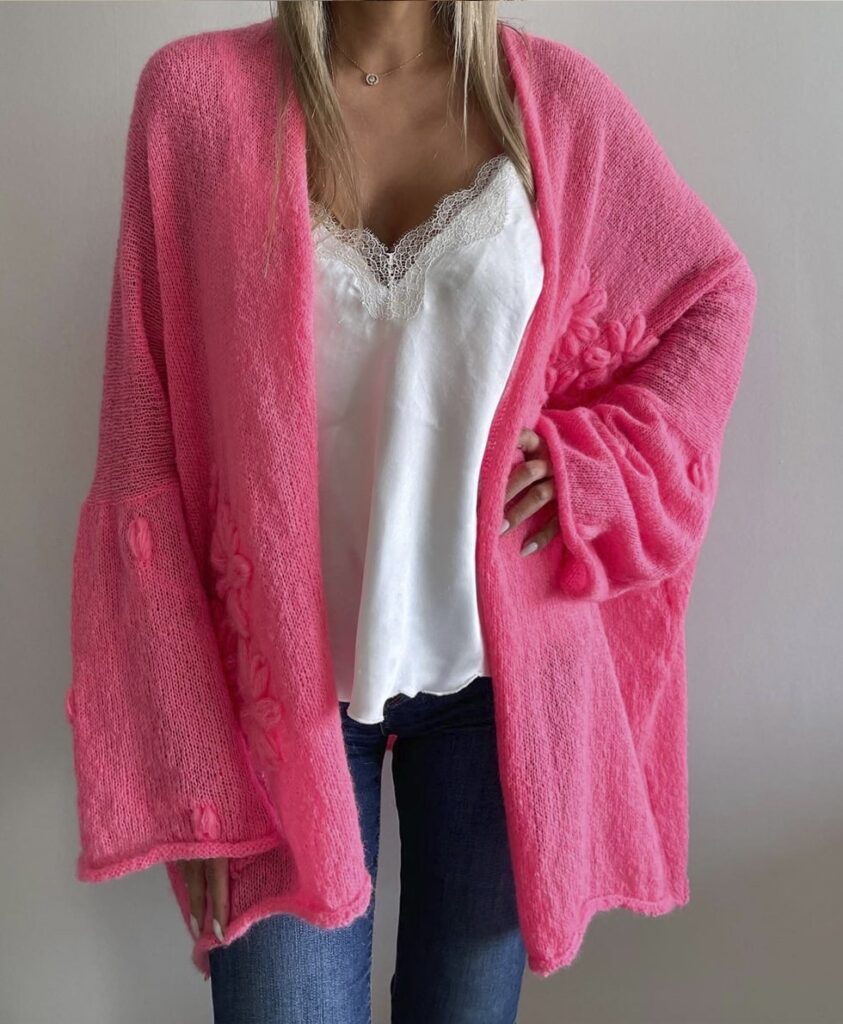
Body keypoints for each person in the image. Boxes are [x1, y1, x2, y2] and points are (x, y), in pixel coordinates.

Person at [65, 3, 758, 1023]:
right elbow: (143, 435)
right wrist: (189, 765)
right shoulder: (196, 104)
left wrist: (600, 465)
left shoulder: (553, 106)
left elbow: (708, 297)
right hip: (274, 704)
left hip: (499, 694)